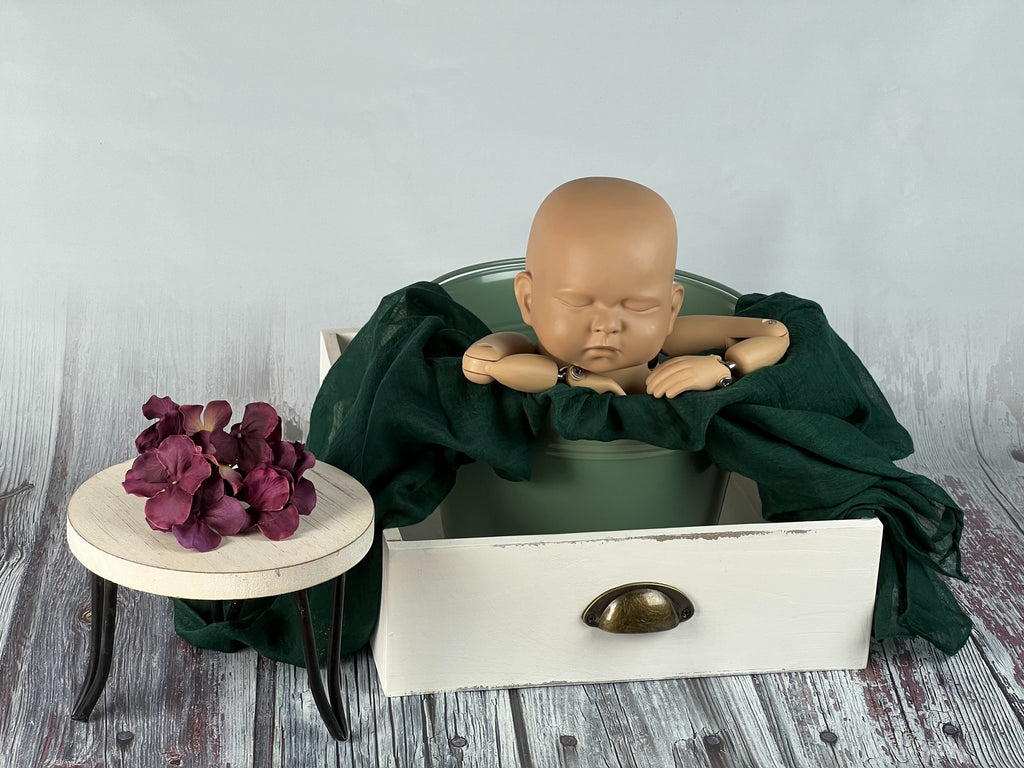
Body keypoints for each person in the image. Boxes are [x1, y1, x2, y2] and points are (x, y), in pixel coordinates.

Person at [462, 177, 790, 397]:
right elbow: (479, 364)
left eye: (638, 306)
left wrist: (722, 368)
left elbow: (774, 333)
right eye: (578, 302)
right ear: (528, 300)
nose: (607, 325)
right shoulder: (518, 347)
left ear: (671, 308)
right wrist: (570, 376)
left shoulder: (671, 338)